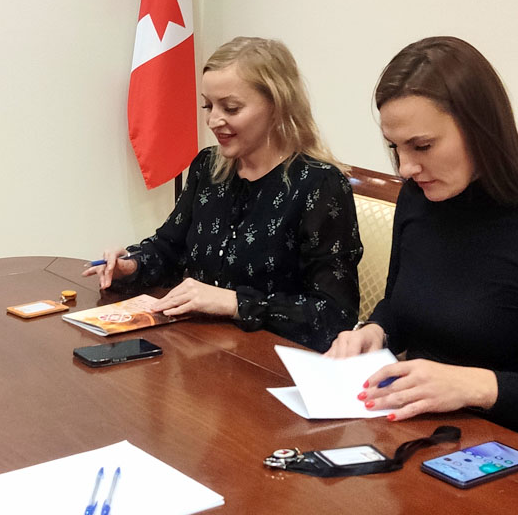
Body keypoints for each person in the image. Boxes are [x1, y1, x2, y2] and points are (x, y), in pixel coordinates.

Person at [327, 36, 518, 457]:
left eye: (422, 146)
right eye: (395, 147)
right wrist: (376, 330)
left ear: (481, 129)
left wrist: (478, 385)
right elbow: (402, 303)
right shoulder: (419, 198)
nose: (406, 168)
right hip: (427, 437)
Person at [86, 37, 363, 352]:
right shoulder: (207, 166)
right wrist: (131, 265)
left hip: (271, 361)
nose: (213, 120)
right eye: (208, 105)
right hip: (199, 351)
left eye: (231, 108)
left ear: (277, 106)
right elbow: (170, 249)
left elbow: (334, 316)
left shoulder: (319, 185)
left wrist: (234, 303)